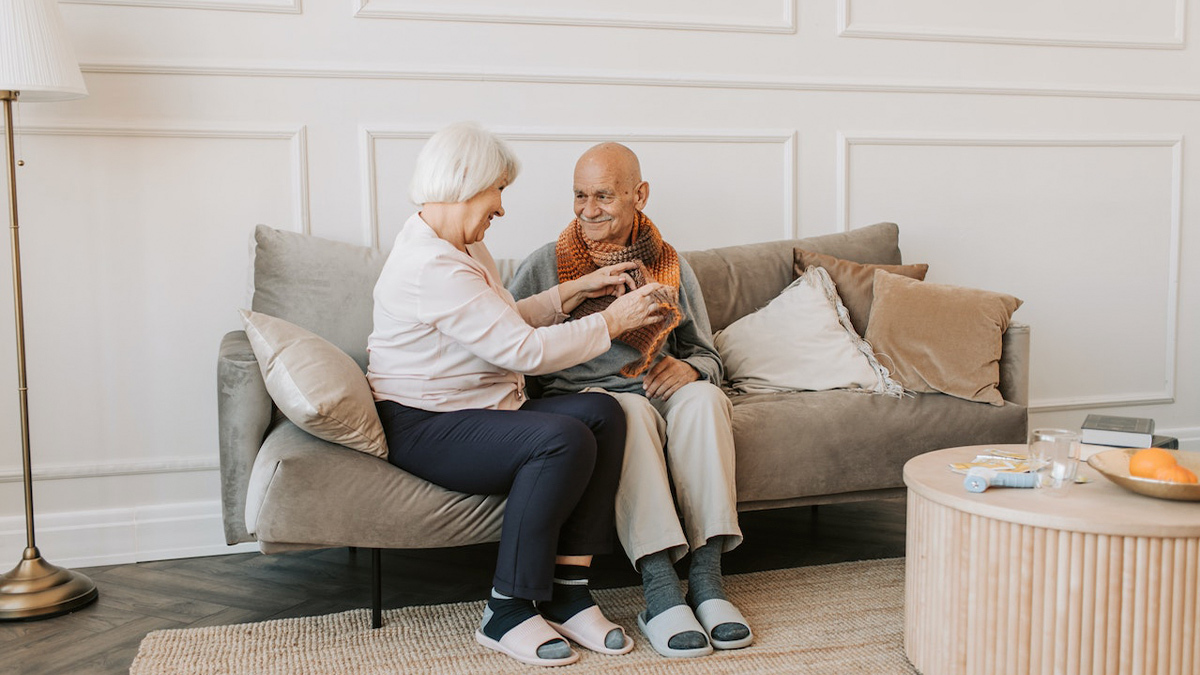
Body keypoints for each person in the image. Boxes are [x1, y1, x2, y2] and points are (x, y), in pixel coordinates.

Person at [367, 123, 670, 667]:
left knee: (604, 411)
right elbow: (523, 352)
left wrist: (573, 292)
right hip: (425, 424)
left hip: (479, 409)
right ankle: (506, 609)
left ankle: (568, 593)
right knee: (560, 439)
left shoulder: (463, 247)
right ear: (467, 183)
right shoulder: (428, 265)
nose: (502, 208)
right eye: (498, 191)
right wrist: (613, 321)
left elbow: (502, 320)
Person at [508, 142, 752, 658]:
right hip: (591, 404)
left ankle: (708, 582)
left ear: (638, 195)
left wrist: (688, 368)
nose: (588, 209)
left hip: (661, 391)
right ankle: (661, 591)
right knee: (630, 411)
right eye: (579, 195)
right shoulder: (545, 266)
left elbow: (708, 357)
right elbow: (510, 350)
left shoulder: (669, 264)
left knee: (705, 400)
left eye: (603, 196)